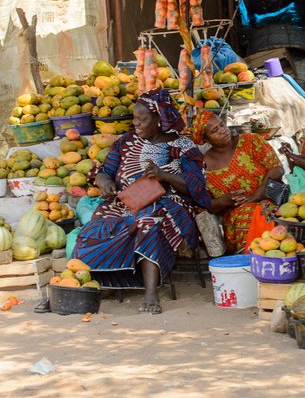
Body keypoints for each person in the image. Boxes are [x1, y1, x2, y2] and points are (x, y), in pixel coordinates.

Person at [75, 90, 211, 314]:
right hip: (125, 201)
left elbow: (195, 188)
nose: (136, 123)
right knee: (96, 224)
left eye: (142, 118)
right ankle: (102, 280)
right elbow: (104, 172)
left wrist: (163, 175)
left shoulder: (182, 146)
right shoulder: (126, 142)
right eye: (134, 118)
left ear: (159, 119)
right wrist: (105, 183)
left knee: (147, 220)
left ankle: (151, 293)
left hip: (169, 202)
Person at [187, 110, 285, 254]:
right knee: (249, 215)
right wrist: (225, 201)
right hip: (236, 219)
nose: (223, 130)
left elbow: (277, 169)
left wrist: (256, 196)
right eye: (215, 130)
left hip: (271, 201)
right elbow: (208, 205)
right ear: (206, 139)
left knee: (266, 213)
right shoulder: (203, 167)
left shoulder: (251, 141)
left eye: (221, 125)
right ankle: (255, 261)